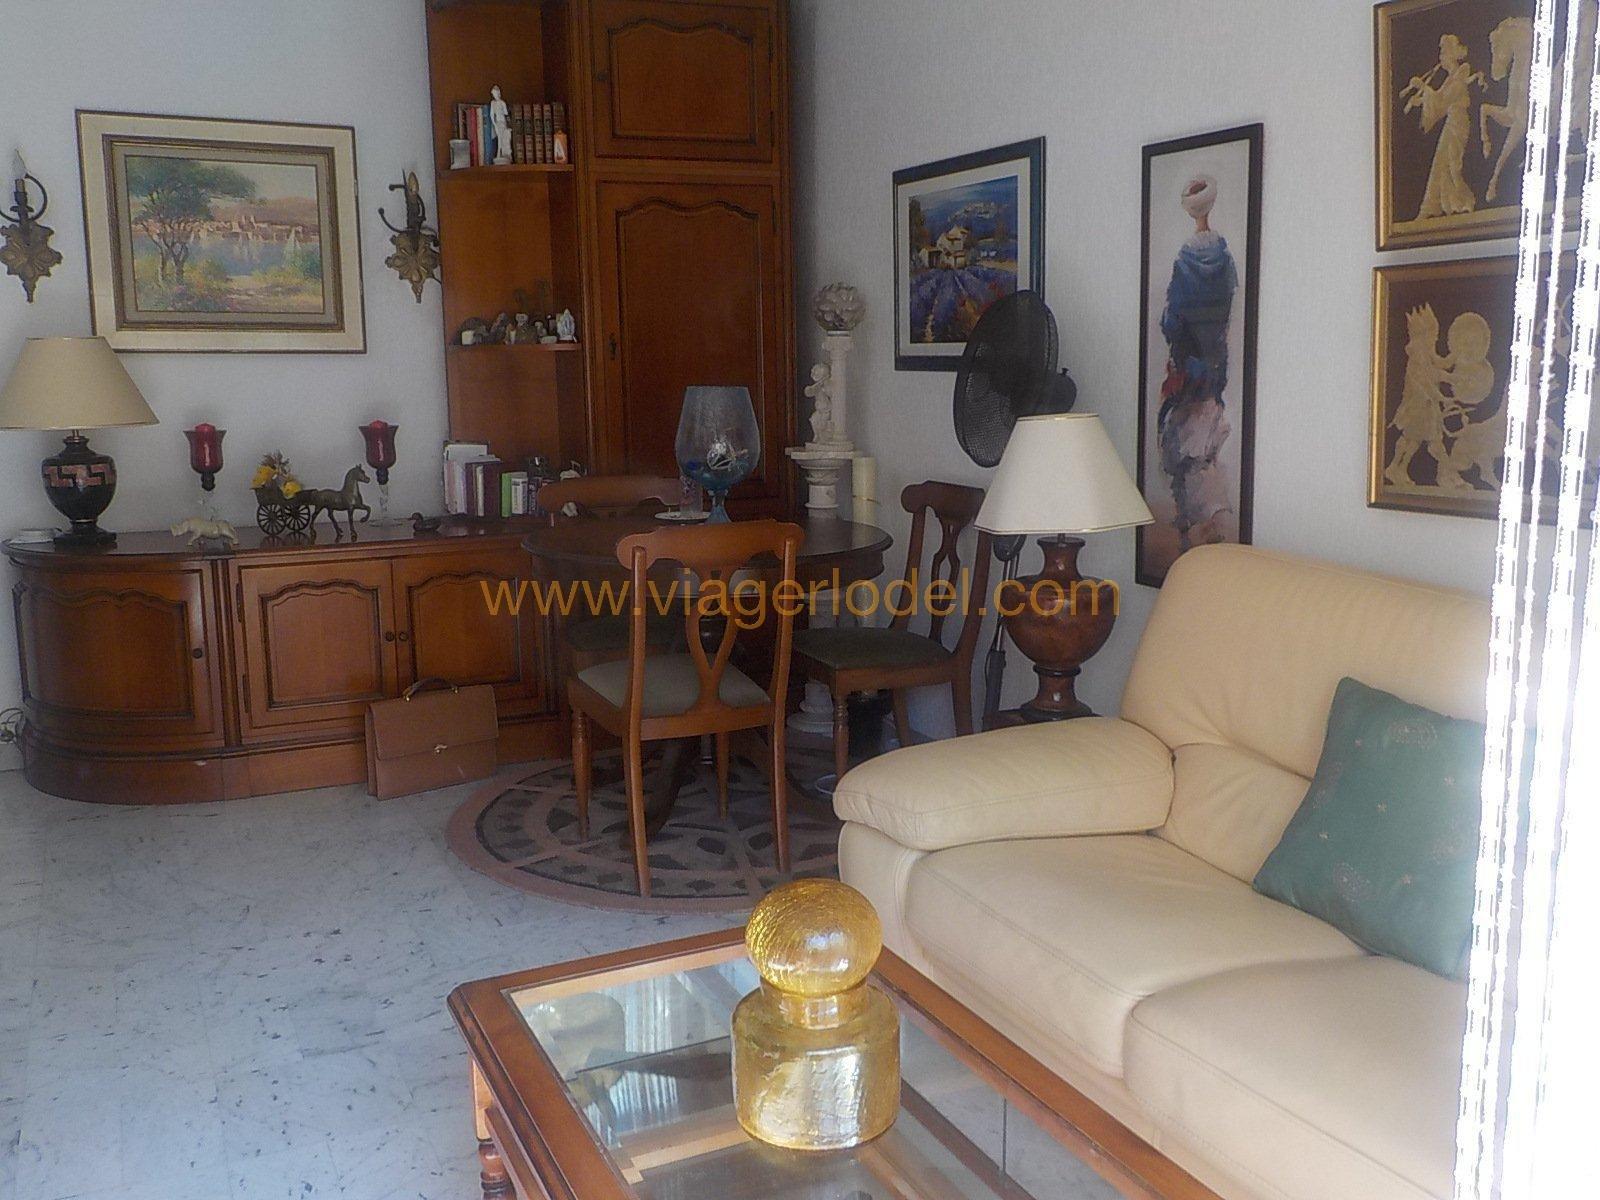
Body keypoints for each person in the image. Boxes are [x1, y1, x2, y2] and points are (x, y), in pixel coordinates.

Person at [1157, 174, 1238, 552]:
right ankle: (1206, 520)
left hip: (1187, 363)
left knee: (1179, 438)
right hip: (1214, 363)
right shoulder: (1225, 258)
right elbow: (1228, 309)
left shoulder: (1184, 261)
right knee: (1205, 436)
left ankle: (1193, 522)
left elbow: (1172, 319)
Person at [1403, 34, 1484, 220]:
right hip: (1451, 122)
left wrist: (1423, 87)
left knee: (1453, 165)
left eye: (1444, 52)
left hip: (1459, 123)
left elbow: (1442, 101)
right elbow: (1438, 100)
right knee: (1441, 164)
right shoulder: (1450, 79)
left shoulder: (1461, 75)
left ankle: (1464, 202)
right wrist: (1418, 100)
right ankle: (1435, 206)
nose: (1441, 57)